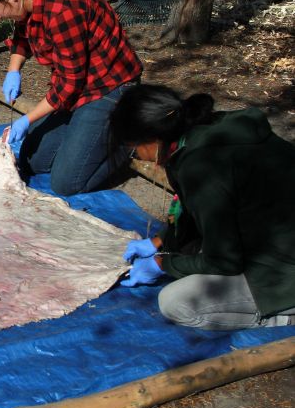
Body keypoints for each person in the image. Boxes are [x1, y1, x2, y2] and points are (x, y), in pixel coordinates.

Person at [110, 84, 295, 330]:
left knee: (176, 302)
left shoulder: (202, 169)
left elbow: (223, 261)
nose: (136, 156)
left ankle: (283, 315)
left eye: (133, 148)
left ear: (153, 140)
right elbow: (199, 208)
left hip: (283, 267)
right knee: (190, 248)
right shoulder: (208, 129)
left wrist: (162, 264)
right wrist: (160, 241)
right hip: (275, 236)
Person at [0, 0, 143, 196]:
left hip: (109, 86)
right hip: (80, 86)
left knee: (66, 182)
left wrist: (28, 119)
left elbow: (69, 84)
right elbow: (22, 36)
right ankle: (84, 132)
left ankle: (129, 143)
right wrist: (13, 70)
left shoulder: (62, 9)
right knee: (34, 161)